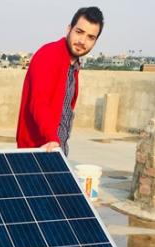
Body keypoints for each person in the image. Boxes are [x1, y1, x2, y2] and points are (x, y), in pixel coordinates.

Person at [16, 6, 104, 156]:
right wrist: (51, 138)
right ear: (68, 29)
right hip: (39, 151)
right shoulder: (49, 54)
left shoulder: (73, 66)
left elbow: (64, 112)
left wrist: (59, 146)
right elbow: (39, 102)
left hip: (57, 149)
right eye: (79, 32)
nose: (82, 41)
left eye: (90, 37)